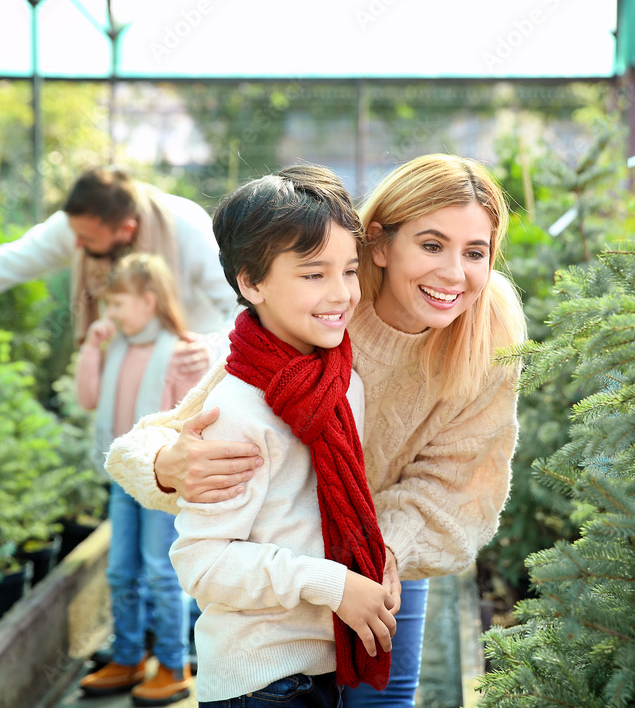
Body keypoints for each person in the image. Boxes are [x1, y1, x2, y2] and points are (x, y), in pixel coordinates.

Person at [107, 153, 526, 706]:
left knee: (382, 699)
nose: (454, 273)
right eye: (430, 245)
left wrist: (384, 554)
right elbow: (174, 432)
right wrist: (166, 466)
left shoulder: (489, 327)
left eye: (476, 252)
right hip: (285, 585)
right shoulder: (329, 307)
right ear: (377, 242)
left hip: (385, 547)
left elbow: (459, 479)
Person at [167, 165, 398, 707]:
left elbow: (326, 510)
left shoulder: (343, 380)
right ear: (251, 282)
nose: (341, 293)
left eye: (349, 270)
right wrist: (333, 584)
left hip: (319, 671)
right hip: (260, 682)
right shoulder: (236, 409)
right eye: (314, 274)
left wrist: (375, 557)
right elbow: (201, 563)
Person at [0, 167, 237, 347]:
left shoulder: (185, 226)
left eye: (87, 238)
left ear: (126, 230)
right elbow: (6, 263)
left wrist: (205, 351)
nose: (77, 246)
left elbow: (236, 303)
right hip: (122, 376)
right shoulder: (76, 228)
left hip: (189, 376)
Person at [75, 253, 201, 705]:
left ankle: (173, 663)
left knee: (160, 570)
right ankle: (127, 656)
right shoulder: (118, 348)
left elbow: (187, 421)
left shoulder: (181, 353)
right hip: (123, 480)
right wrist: (91, 347)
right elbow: (88, 398)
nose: (111, 314)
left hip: (159, 481)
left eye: (118, 304)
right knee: (119, 569)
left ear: (149, 301)